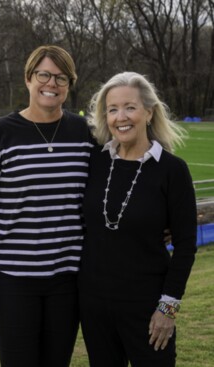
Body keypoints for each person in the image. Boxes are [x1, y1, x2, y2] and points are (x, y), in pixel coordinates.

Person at [0, 45, 94, 366]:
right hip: (12, 280)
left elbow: (112, 186)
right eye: (44, 75)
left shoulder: (84, 133)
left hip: (67, 277)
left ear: (69, 85)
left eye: (61, 78)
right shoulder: (1, 133)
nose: (51, 84)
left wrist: (156, 222)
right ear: (28, 78)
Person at [79, 71, 197, 367]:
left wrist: (167, 309)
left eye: (130, 107)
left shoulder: (172, 170)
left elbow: (185, 246)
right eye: (112, 109)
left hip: (148, 308)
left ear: (149, 111)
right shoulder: (94, 162)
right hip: (94, 308)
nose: (121, 117)